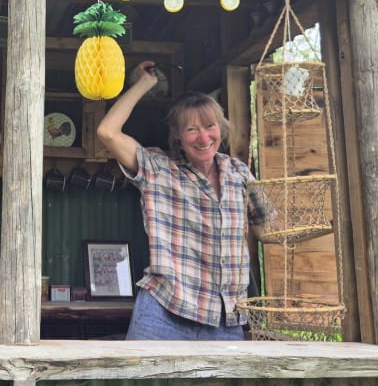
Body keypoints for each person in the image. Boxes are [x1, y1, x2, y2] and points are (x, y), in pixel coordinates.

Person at [97, 61, 272, 340]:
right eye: (192, 130)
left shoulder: (240, 172)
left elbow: (269, 230)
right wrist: (143, 84)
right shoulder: (158, 168)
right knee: (143, 384)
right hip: (164, 314)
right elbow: (107, 132)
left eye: (210, 126)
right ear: (178, 135)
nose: (204, 138)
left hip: (225, 320)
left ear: (221, 128)